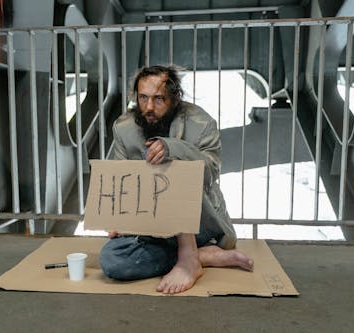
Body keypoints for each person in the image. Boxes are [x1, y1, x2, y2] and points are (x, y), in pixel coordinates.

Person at [99, 65, 254, 294]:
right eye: (143, 98)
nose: (149, 107)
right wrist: (121, 219)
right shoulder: (124, 128)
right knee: (111, 261)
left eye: (158, 99)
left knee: (163, 161)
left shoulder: (202, 123)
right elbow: (124, 180)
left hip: (200, 224)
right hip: (154, 227)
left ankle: (189, 255)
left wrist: (172, 149)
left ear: (175, 98)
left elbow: (210, 174)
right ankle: (198, 255)